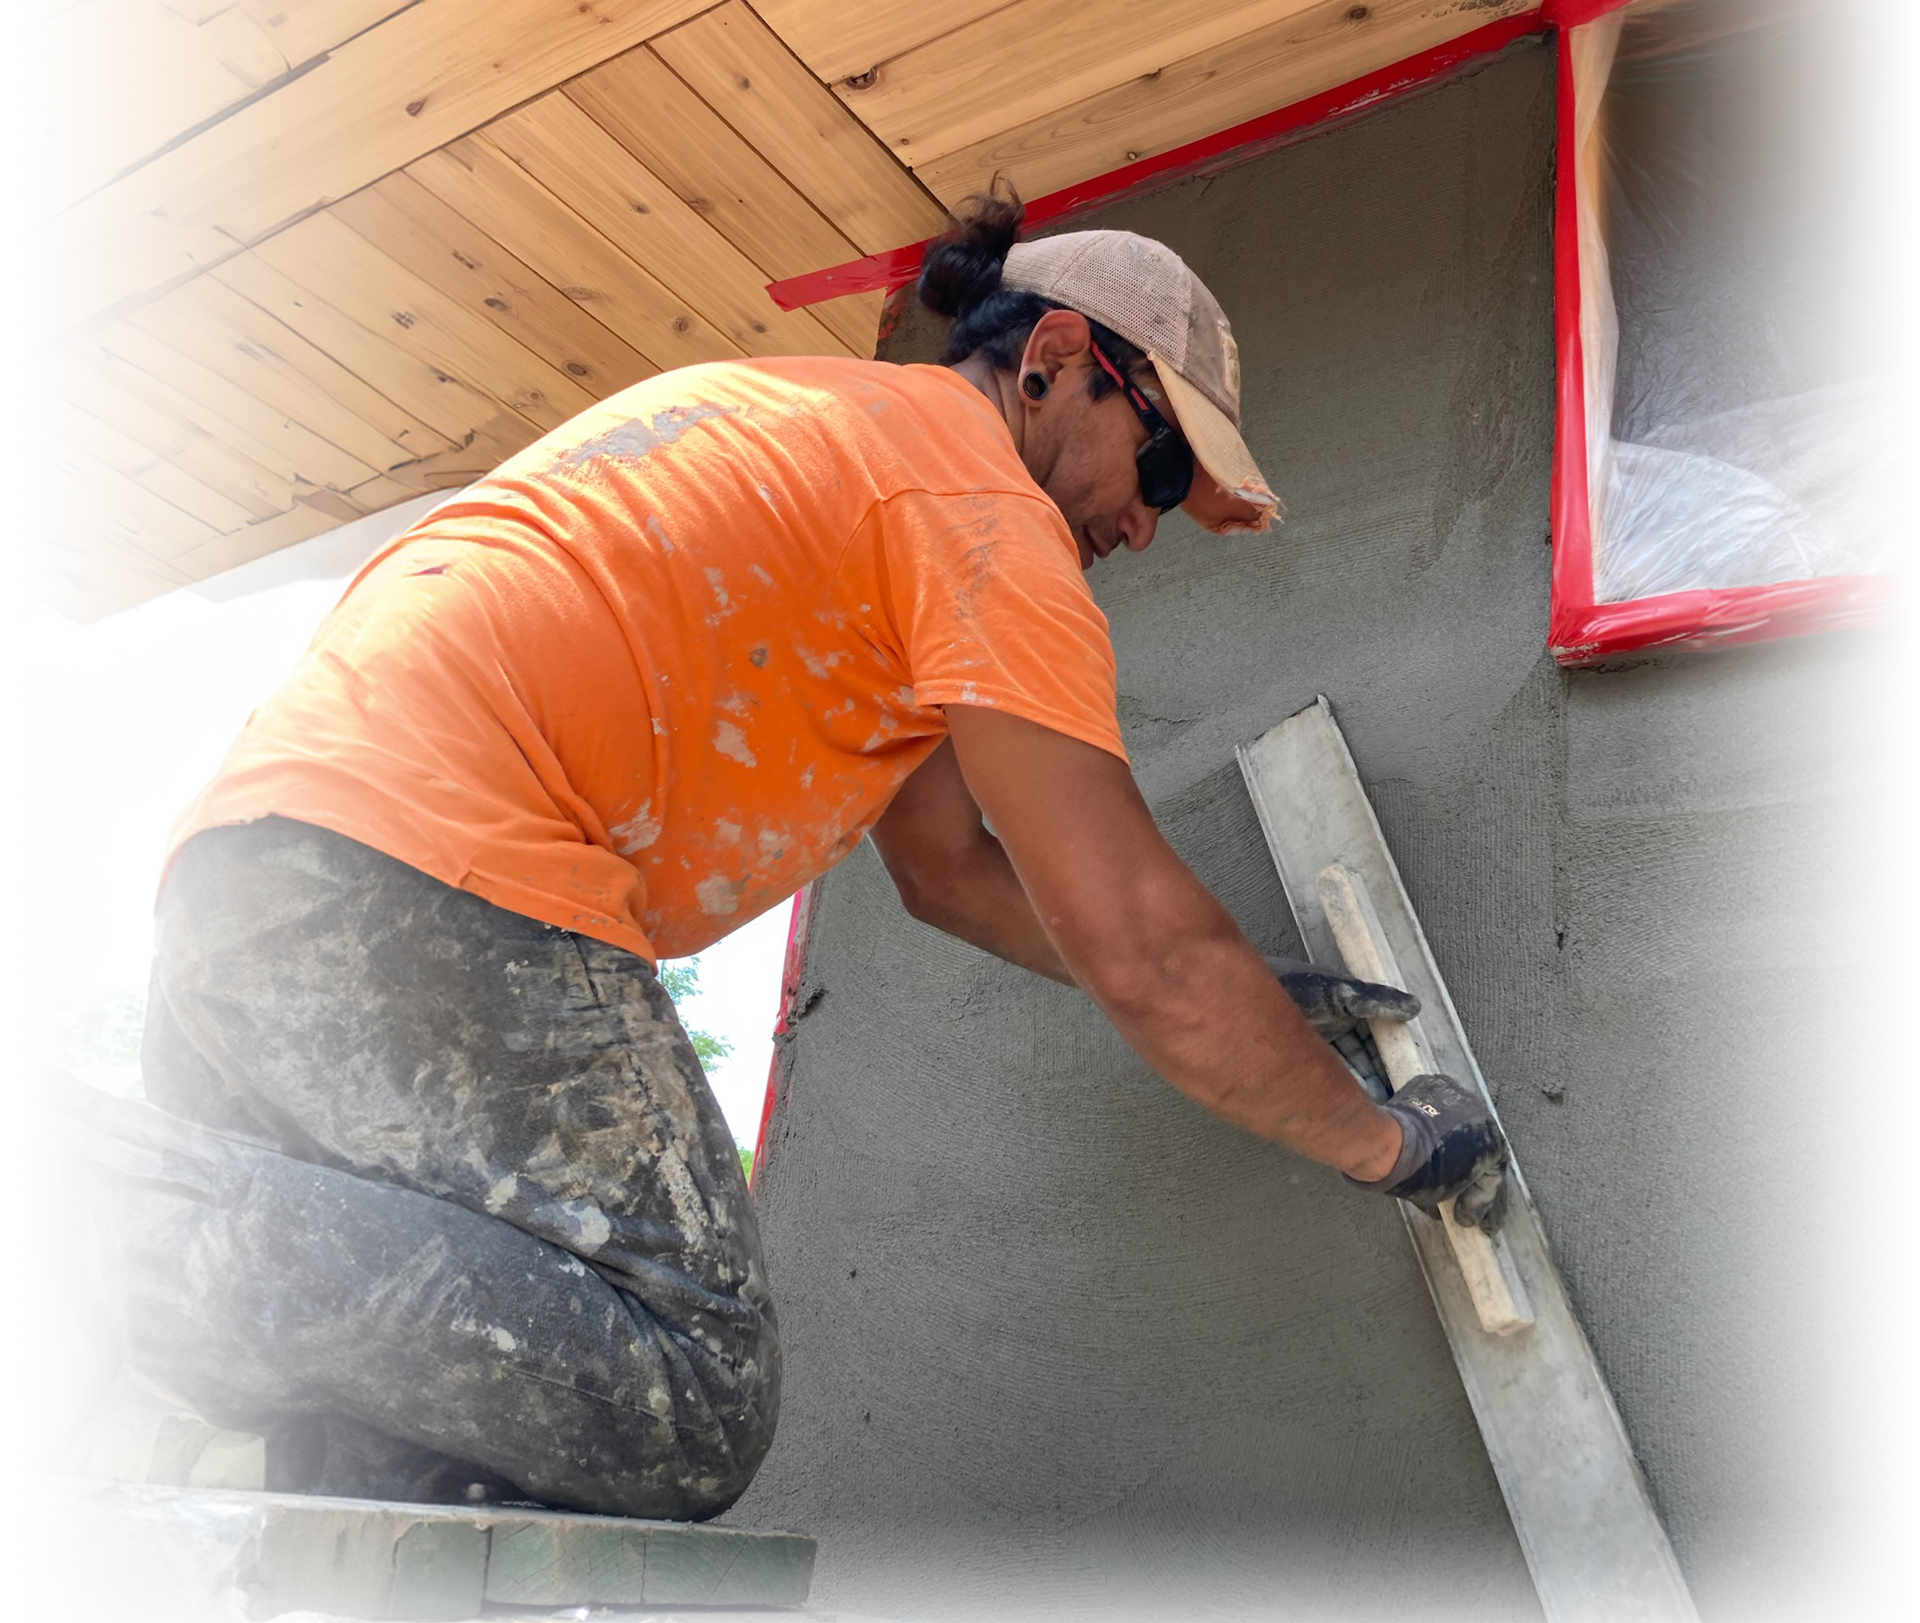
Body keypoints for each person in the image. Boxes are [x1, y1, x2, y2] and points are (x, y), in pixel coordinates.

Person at [106, 190, 1507, 1520]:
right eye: (1156, 464)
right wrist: (1392, 1141)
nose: (1143, 521)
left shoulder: (845, 441)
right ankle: (145, 1244)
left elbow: (949, 868)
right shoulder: (979, 518)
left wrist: (1247, 993)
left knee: (451, 1389)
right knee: (689, 1379)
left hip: (257, 863)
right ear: (1058, 361)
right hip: (434, 869)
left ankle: (172, 1261)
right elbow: (1138, 942)